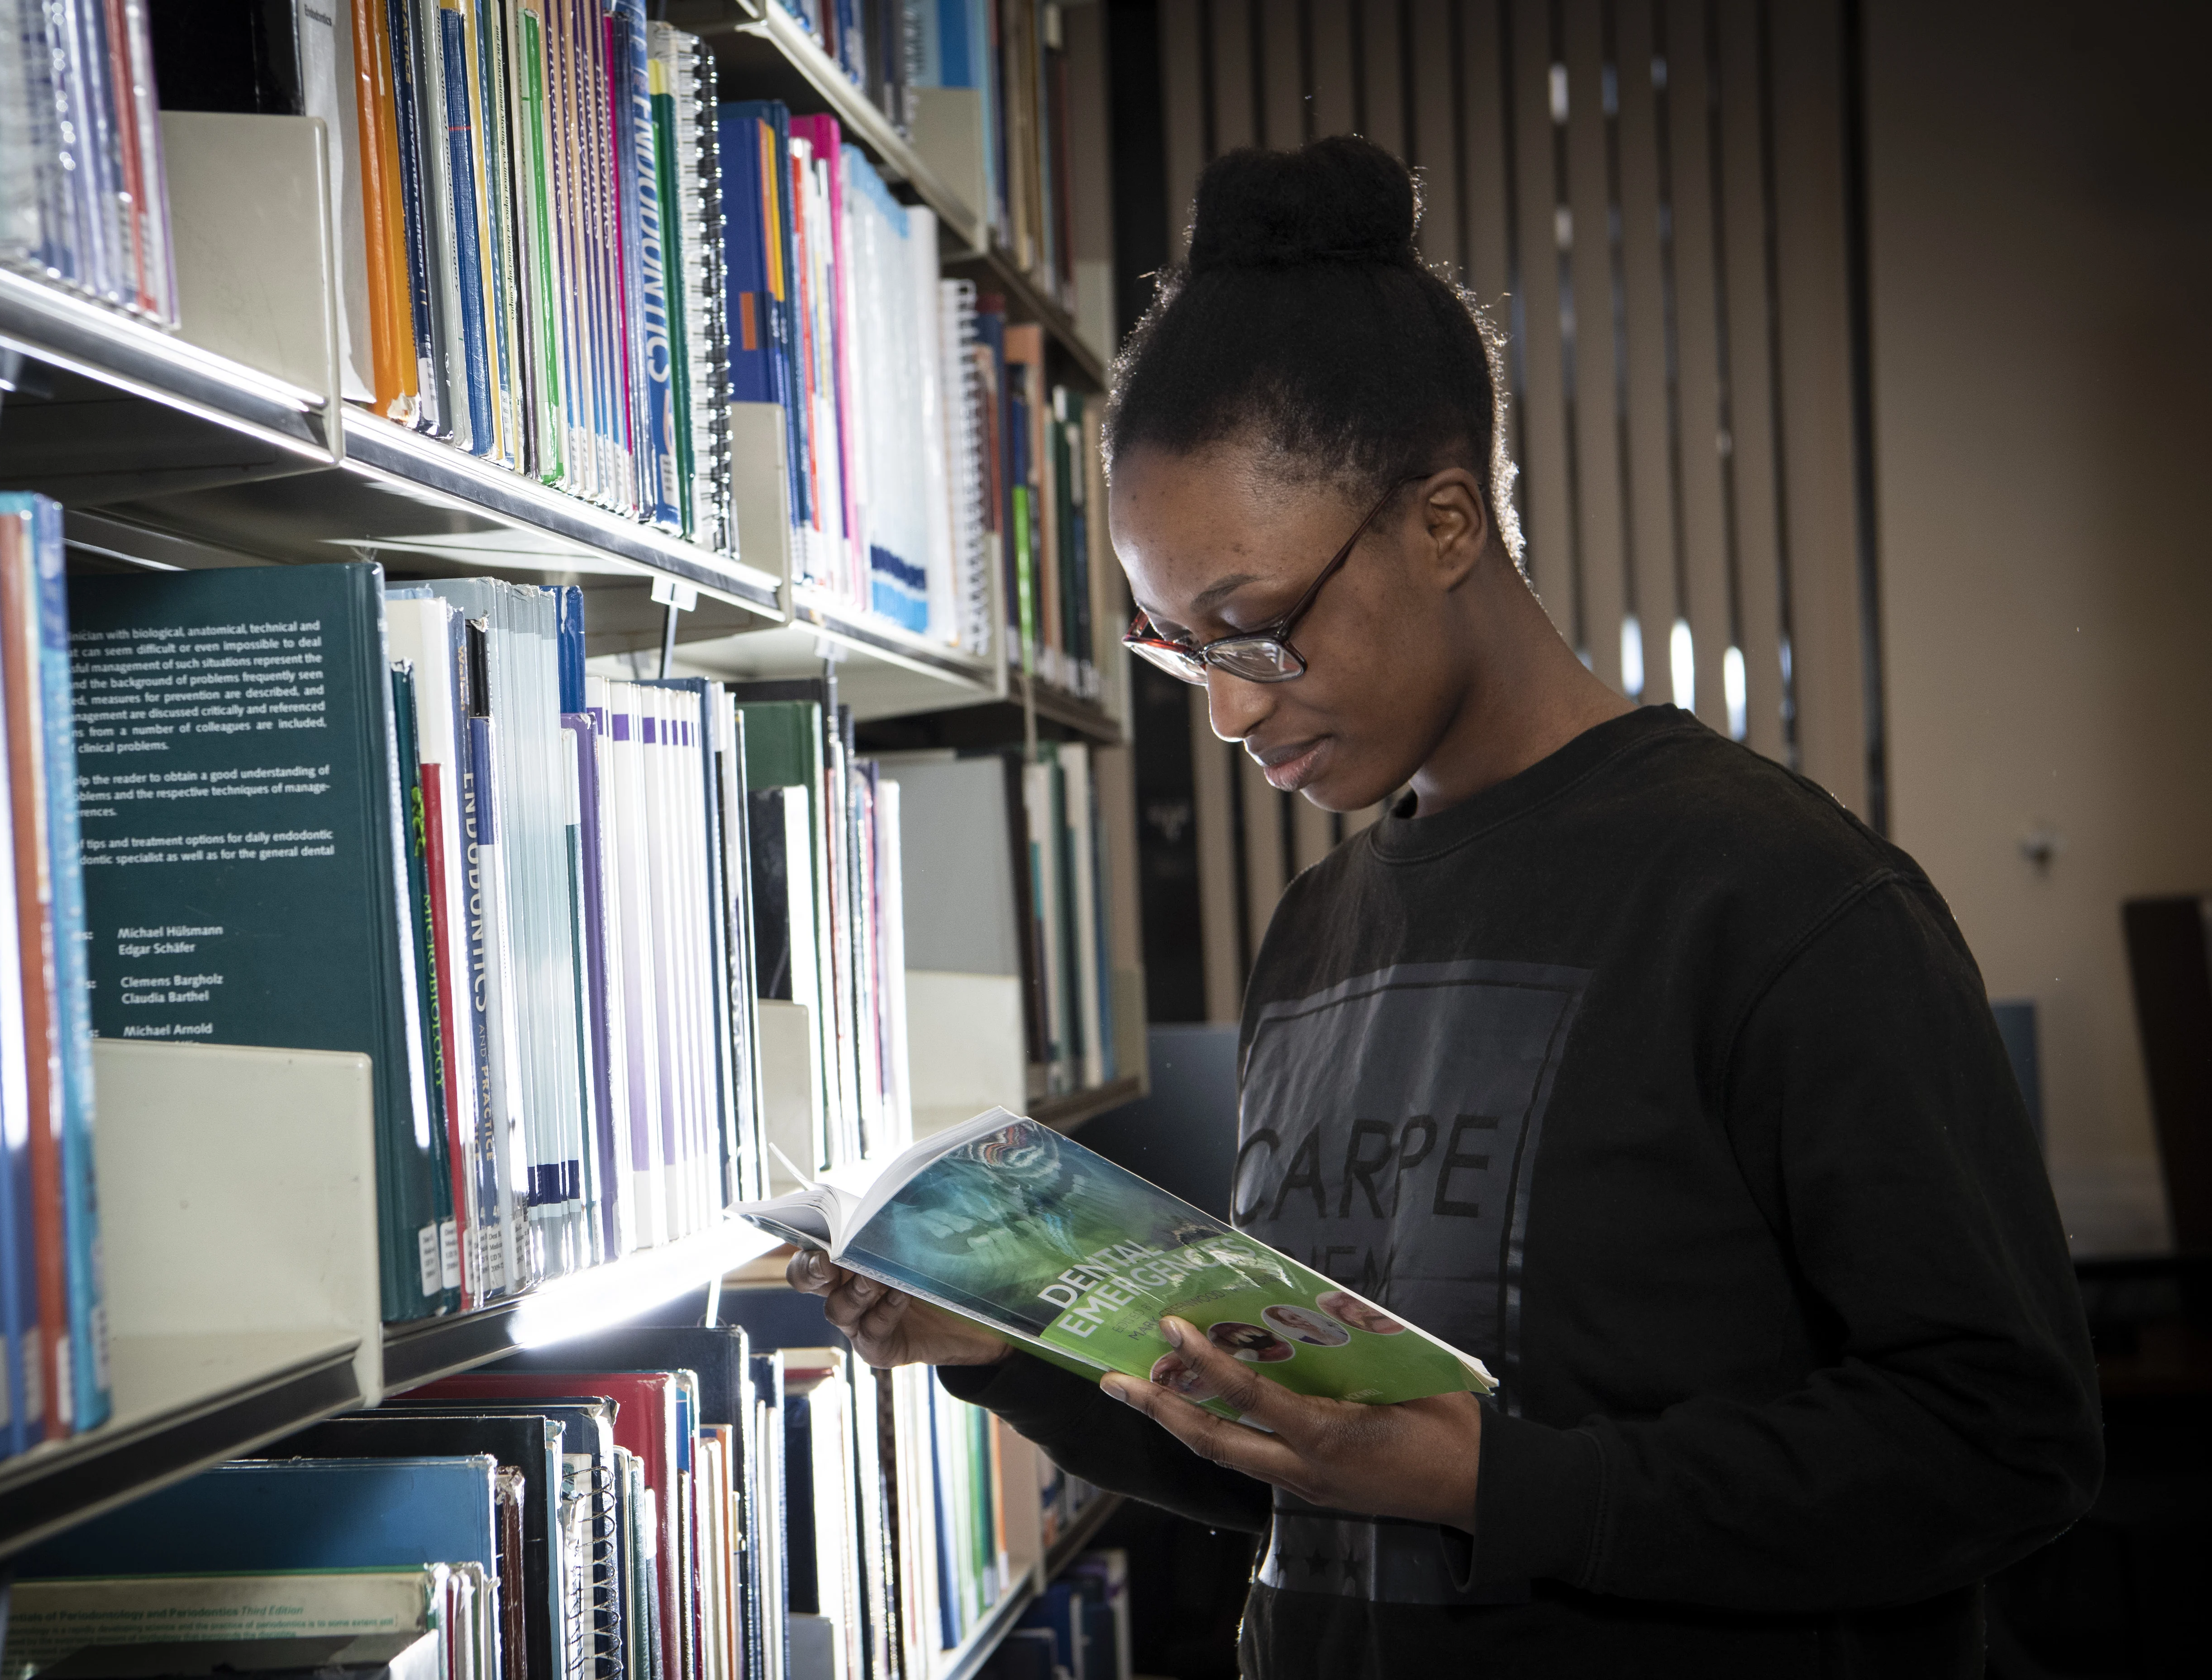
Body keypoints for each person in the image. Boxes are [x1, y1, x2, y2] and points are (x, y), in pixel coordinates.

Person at [791, 135, 2099, 1676]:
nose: (1221, 708)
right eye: (1174, 645)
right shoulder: (1319, 936)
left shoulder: (1781, 900)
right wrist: (1004, 1348)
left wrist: (1491, 1482)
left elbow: (2002, 1442)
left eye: (1254, 628)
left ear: (1447, 525)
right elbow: (1311, 1469)